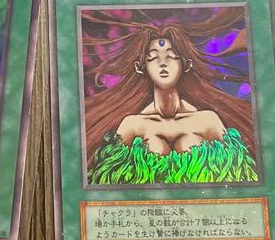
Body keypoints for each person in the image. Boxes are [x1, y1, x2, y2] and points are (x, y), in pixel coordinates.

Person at [82, 10, 257, 185]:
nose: (163, 63)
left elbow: (241, 178)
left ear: (186, 64)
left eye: (172, 56)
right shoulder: (132, 125)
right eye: (153, 58)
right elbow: (104, 183)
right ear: (140, 67)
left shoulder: (208, 121)